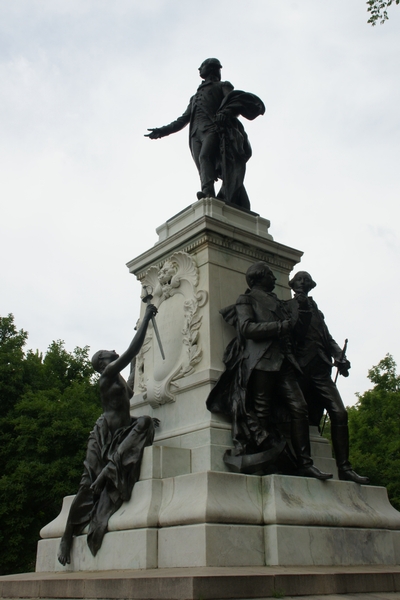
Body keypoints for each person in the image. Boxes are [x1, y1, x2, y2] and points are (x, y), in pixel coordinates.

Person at [207, 261, 332, 480]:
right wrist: (280, 327)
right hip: (261, 360)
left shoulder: (279, 302)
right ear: (258, 278)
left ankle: (305, 463)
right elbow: (246, 328)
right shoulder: (246, 299)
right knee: (262, 411)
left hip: (284, 361)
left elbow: (298, 330)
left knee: (300, 408)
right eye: (270, 275)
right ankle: (263, 459)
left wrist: (302, 309)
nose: (275, 279)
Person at [57, 304, 159, 565]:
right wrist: (146, 318)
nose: (113, 351)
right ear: (103, 363)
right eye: (108, 352)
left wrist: (138, 355)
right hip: (102, 435)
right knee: (86, 485)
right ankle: (67, 536)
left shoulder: (119, 379)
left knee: (145, 421)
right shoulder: (107, 376)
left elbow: (133, 380)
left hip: (121, 430)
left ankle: (109, 471)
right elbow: (131, 350)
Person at [145, 58, 265, 209]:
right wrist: (163, 131)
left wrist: (225, 112)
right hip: (196, 134)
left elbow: (232, 102)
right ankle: (233, 197)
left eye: (201, 66)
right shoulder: (194, 97)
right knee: (204, 166)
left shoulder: (223, 85)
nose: (199, 69)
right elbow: (183, 120)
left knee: (205, 157)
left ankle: (207, 194)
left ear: (211, 68)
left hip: (213, 128)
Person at [288, 271, 369, 484]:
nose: (303, 282)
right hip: (301, 368)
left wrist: (339, 356)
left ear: (311, 285)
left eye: (306, 280)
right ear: (292, 284)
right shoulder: (288, 307)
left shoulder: (318, 311)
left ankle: (345, 468)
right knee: (300, 414)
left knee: (340, 414)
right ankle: (303, 463)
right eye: (299, 279)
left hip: (321, 369)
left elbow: (328, 338)